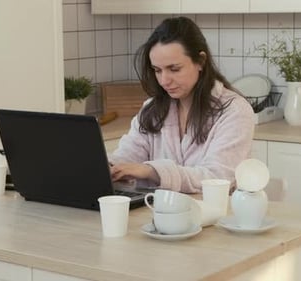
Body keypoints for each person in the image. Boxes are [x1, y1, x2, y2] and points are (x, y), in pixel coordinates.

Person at [109, 16, 254, 193]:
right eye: (157, 70)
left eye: (174, 69)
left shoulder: (235, 111)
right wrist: (109, 167)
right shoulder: (152, 110)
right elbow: (127, 157)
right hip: (157, 214)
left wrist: (152, 171)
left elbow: (217, 176)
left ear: (200, 61)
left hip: (212, 217)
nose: (164, 80)